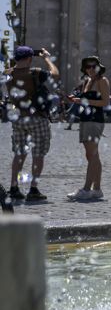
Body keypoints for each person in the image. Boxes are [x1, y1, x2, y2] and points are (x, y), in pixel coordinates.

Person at [5, 45, 60, 203]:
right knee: (38, 154)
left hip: (19, 119)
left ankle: (14, 187)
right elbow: (55, 74)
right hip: (37, 117)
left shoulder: (8, 74)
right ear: (29, 58)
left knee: (19, 154)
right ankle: (33, 189)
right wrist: (46, 58)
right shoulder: (35, 72)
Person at [67, 55, 111, 201]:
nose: (91, 69)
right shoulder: (87, 81)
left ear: (99, 67)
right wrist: (77, 99)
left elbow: (105, 102)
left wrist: (85, 100)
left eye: (94, 66)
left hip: (94, 120)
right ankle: (97, 189)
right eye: (88, 66)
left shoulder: (102, 81)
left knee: (92, 155)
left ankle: (86, 189)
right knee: (92, 155)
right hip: (85, 119)